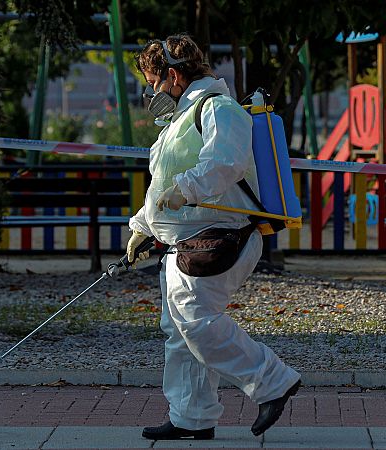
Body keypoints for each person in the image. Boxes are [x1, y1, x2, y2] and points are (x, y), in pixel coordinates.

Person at [127, 34, 301, 441]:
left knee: (197, 322)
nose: (152, 91)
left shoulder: (219, 109)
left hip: (219, 237)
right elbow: (162, 188)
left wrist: (185, 188)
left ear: (173, 75)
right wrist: (141, 226)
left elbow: (226, 162)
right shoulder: (180, 120)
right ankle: (192, 417)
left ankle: (273, 381)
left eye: (153, 82)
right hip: (185, 243)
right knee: (180, 332)